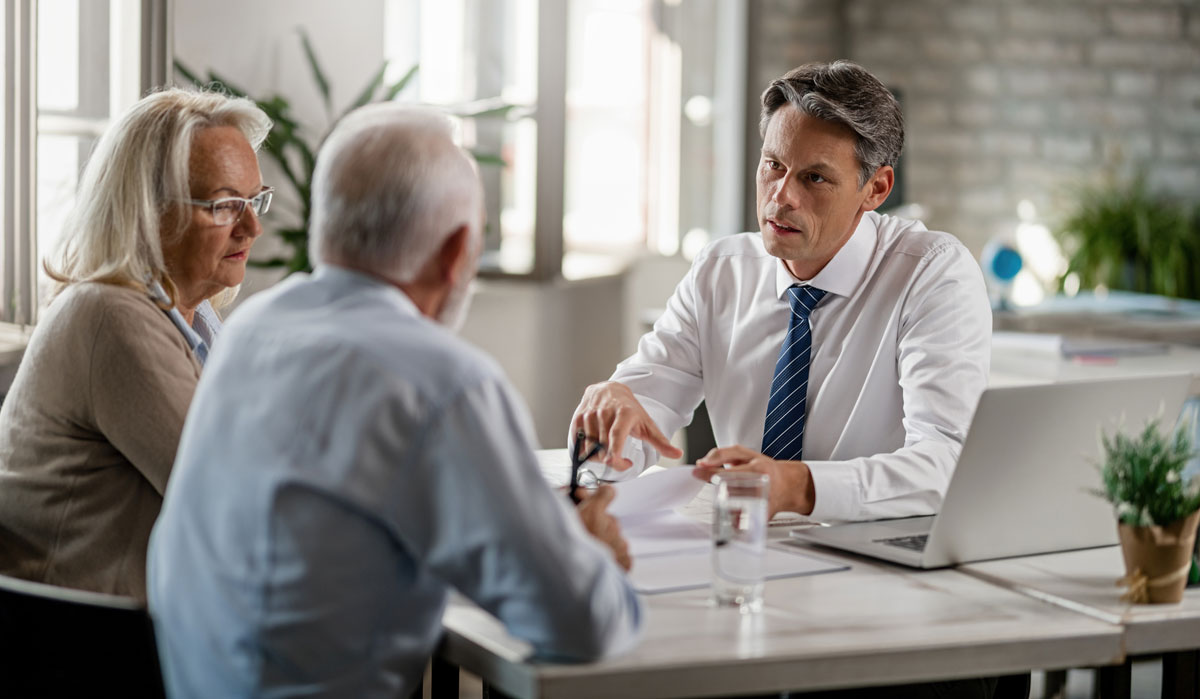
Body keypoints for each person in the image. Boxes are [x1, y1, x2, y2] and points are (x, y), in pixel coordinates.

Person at [147, 104, 642, 698]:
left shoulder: (253, 329)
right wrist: (587, 554)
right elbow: (583, 624)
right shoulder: (442, 382)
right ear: (458, 251)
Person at [571, 60, 991, 524]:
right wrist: (609, 429)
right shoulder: (721, 270)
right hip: (743, 547)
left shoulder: (932, 274)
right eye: (773, 165)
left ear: (876, 188)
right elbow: (646, 407)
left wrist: (797, 486)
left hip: (874, 556)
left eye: (814, 178)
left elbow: (949, 462)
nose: (781, 196)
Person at [0, 88, 271, 601]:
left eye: (255, 200)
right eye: (225, 205)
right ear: (149, 210)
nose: (252, 227)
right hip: (78, 648)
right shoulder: (110, 315)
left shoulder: (197, 319)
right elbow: (237, 503)